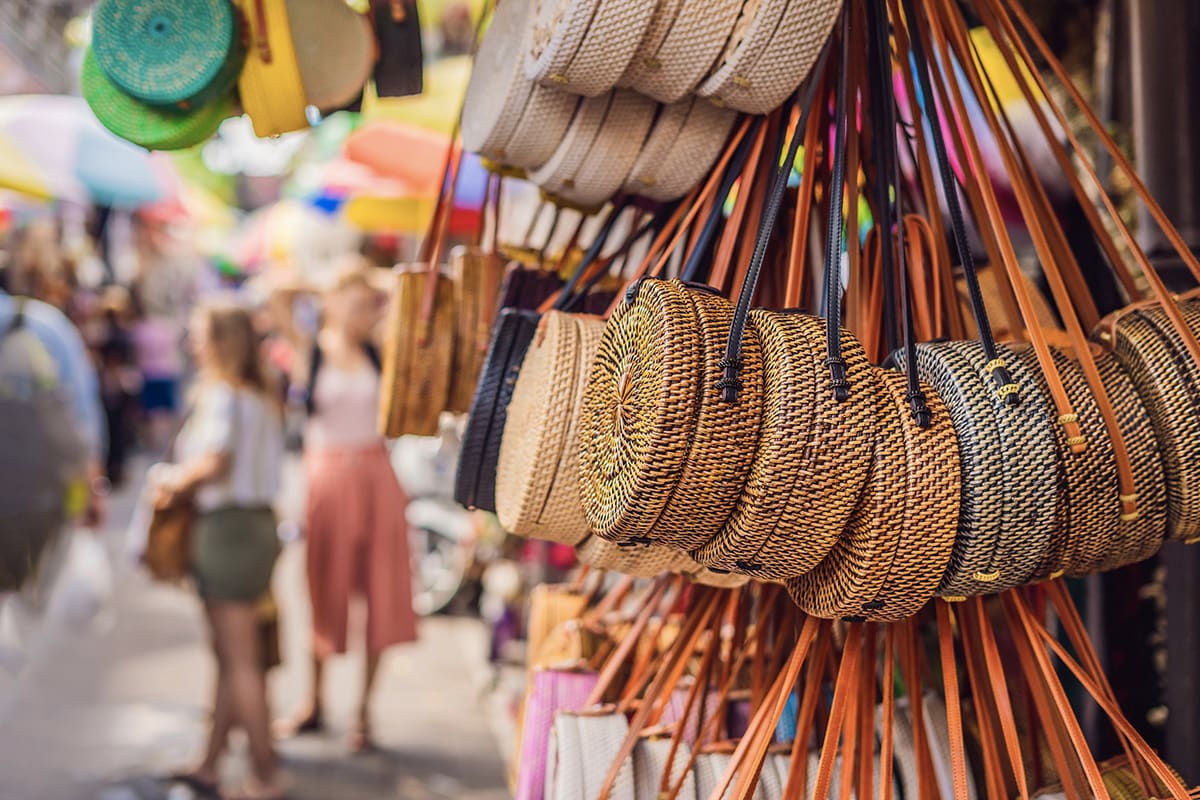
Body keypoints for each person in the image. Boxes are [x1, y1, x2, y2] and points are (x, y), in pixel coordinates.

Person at [275, 263, 417, 751]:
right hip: (326, 479)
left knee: (381, 592)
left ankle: (364, 713)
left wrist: (367, 286)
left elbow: (405, 293)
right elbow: (278, 290)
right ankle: (313, 701)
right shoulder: (309, 348)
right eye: (352, 303)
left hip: (378, 476)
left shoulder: (379, 347)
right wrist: (330, 287)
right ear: (331, 302)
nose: (362, 312)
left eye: (366, 304)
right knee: (321, 589)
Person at [159, 299, 285, 800]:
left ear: (220, 342)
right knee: (233, 657)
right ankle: (211, 762)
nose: (193, 343)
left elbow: (213, 460)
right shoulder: (259, 395)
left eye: (199, 334)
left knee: (239, 660)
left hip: (228, 529)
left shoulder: (226, 397)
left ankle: (265, 774)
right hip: (253, 527)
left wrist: (170, 484)